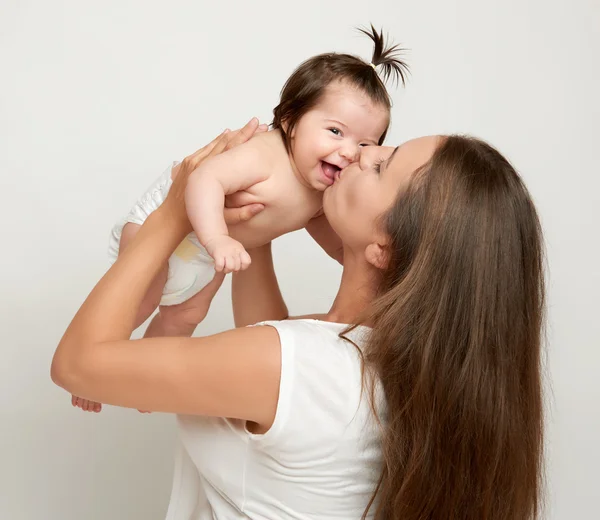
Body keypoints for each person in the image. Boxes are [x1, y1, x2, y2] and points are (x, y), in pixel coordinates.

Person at [52, 118, 545, 520]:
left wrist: (173, 213)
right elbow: (270, 342)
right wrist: (258, 225)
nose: (360, 151)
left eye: (379, 165)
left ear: (385, 247)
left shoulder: (301, 365)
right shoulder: (367, 359)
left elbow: (77, 365)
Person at [72, 26, 408, 413]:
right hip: (169, 222)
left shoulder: (323, 195)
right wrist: (216, 238)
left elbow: (338, 243)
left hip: (208, 251)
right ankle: (97, 366)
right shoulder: (265, 154)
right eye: (335, 131)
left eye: (365, 144)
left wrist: (366, 257)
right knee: (146, 292)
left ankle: (140, 383)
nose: (349, 152)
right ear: (290, 121)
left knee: (186, 316)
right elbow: (203, 179)